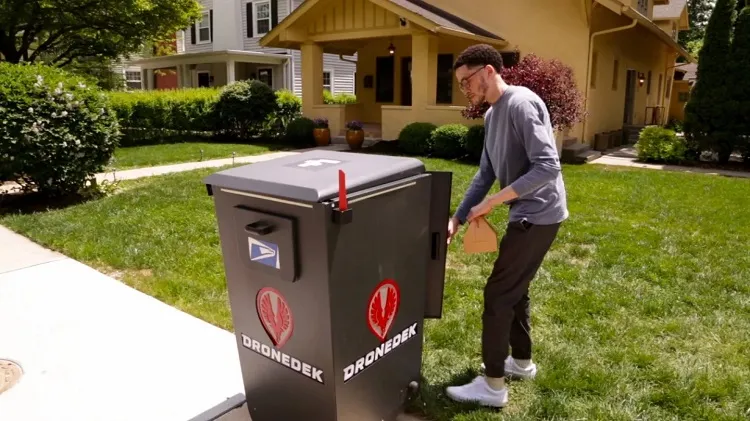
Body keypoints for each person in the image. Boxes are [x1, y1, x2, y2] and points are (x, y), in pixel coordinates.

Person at [444, 44, 569, 408]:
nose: (465, 89)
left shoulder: (520, 104)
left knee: (498, 295)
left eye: (467, 81)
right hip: (528, 213)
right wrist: (458, 217)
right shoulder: (492, 114)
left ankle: (493, 387)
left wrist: (494, 202)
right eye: (460, 84)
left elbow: (548, 166)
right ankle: (521, 363)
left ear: (488, 70)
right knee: (516, 290)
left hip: (538, 213)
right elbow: (486, 173)